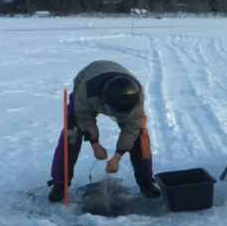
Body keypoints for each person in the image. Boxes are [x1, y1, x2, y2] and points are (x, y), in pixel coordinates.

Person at [48, 60, 160, 202]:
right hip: (87, 83)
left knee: (140, 133)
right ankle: (59, 184)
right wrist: (95, 143)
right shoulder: (87, 93)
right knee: (72, 132)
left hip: (116, 85)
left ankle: (146, 182)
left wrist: (117, 156)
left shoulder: (136, 95)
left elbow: (131, 129)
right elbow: (85, 120)